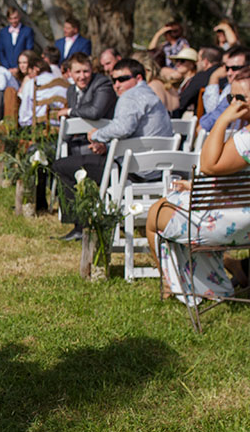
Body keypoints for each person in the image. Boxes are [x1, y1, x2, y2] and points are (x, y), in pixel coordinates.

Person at [147, 80, 250, 303]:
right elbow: (239, 180)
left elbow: (208, 165)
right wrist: (197, 186)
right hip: (245, 226)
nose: (231, 103)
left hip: (226, 226)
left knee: (155, 213)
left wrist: (222, 120)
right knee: (178, 203)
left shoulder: (246, 139)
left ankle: (169, 283)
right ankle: (226, 274)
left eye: (237, 98)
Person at [52, 57, 172, 239]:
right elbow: (134, 134)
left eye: (122, 79)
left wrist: (96, 135)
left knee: (61, 166)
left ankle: (79, 226)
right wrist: (107, 146)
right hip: (156, 171)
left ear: (138, 78)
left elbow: (123, 128)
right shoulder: (152, 96)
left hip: (130, 172)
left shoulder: (130, 97)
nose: (117, 85)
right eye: (114, 80)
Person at [58, 54, 116, 150]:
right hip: (77, 139)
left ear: (91, 70)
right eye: (77, 72)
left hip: (99, 142)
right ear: (69, 72)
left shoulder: (102, 84)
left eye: (86, 71)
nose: (82, 76)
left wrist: (69, 111)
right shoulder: (71, 90)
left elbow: (95, 112)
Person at [199, 45, 250, 132]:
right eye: (227, 68)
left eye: (235, 68)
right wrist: (214, 77)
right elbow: (205, 125)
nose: (229, 73)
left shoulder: (239, 89)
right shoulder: (231, 92)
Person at [0, 6, 35, 73]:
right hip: (7, 70)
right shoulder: (3, 32)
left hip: (22, 70)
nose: (13, 21)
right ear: (8, 19)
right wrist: (7, 68)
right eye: (11, 19)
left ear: (19, 17)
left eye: (15, 18)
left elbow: (29, 51)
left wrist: (19, 67)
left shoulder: (27, 31)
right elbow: (1, 52)